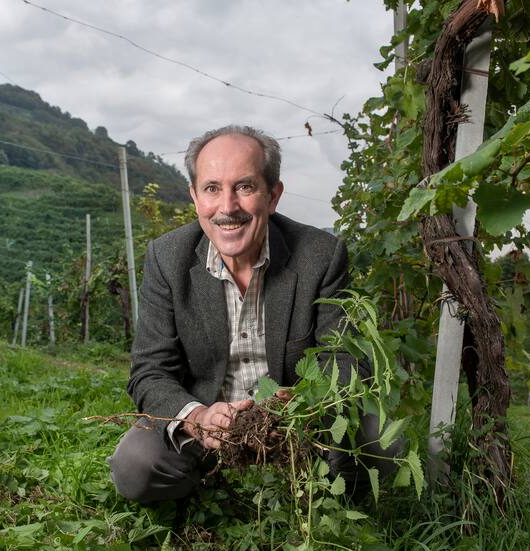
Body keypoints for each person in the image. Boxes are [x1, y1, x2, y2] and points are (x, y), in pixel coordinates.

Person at [108, 125, 396, 503]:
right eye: (212, 188)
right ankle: (211, 489)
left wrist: (300, 404)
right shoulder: (167, 258)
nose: (228, 208)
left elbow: (342, 358)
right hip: (207, 427)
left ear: (273, 195)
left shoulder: (320, 256)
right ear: (195, 197)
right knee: (136, 465)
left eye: (244, 187)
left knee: (380, 439)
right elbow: (150, 370)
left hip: (297, 429)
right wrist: (198, 418)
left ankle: (321, 496)